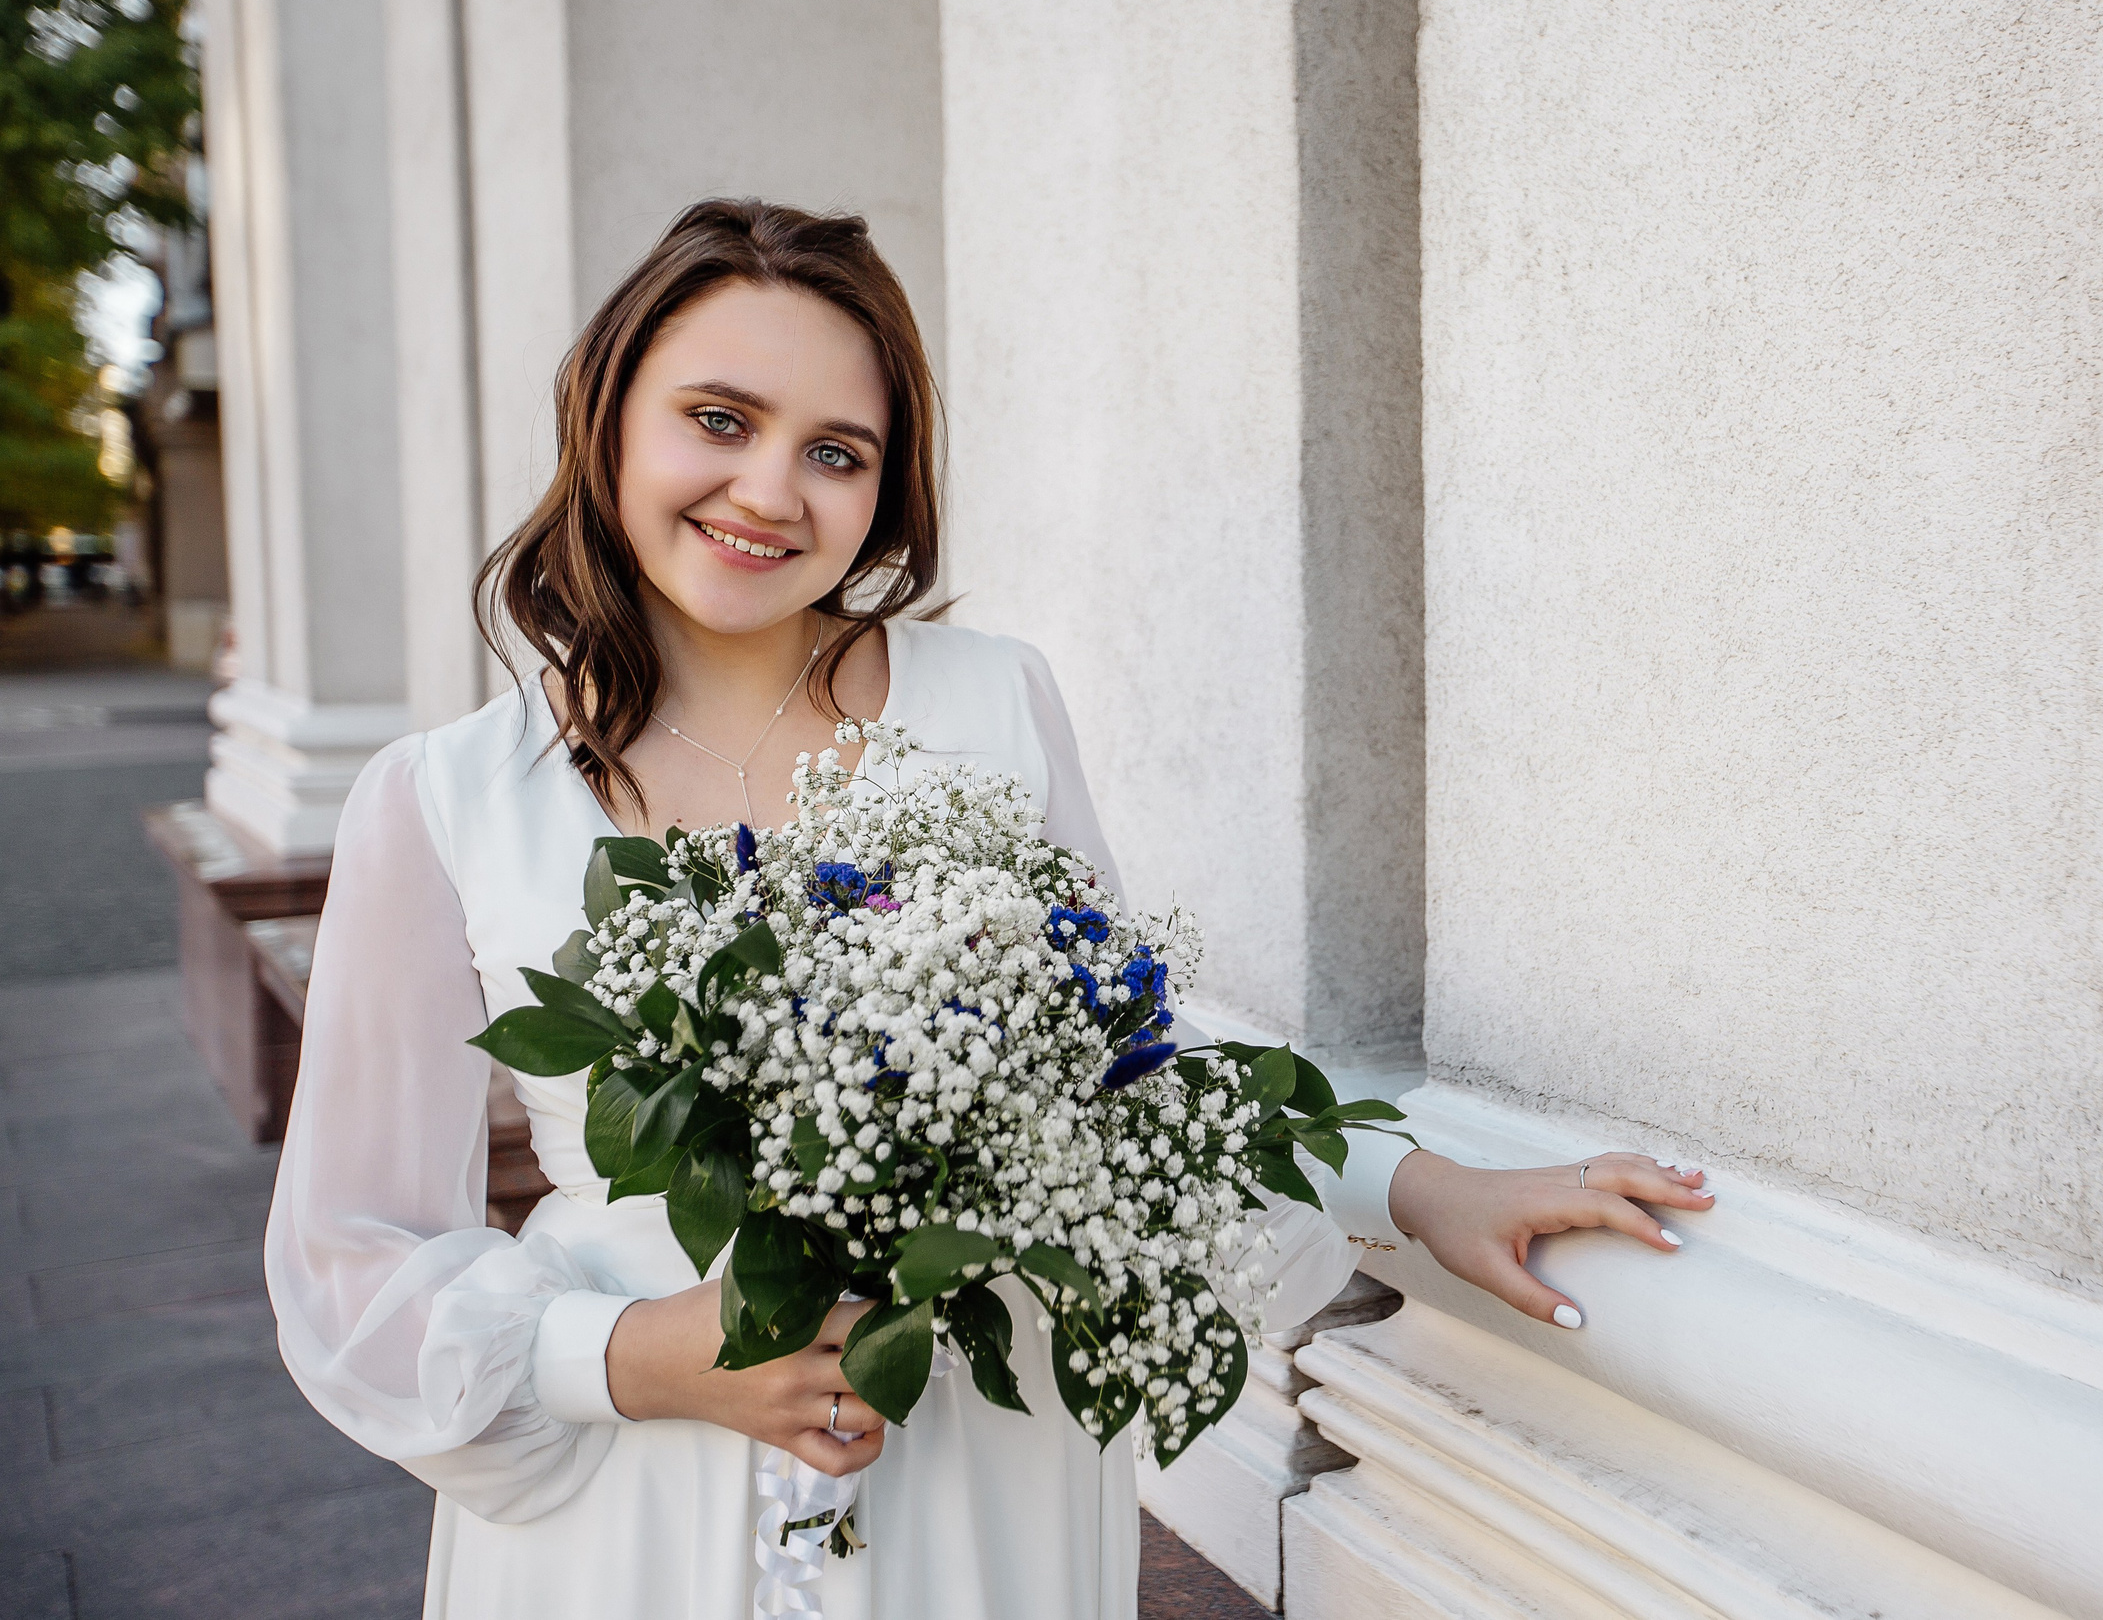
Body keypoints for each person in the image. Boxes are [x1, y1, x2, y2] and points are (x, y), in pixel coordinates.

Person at [264, 199, 1713, 1619]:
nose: (771, 491)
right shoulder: (445, 794)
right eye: (718, 418)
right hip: (633, 1481)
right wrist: (631, 1357)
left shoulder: (989, 703)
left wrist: (1420, 1189)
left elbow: (1128, 1077)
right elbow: (353, 1249)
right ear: (608, 418)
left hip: (979, 1439)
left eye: (836, 452)